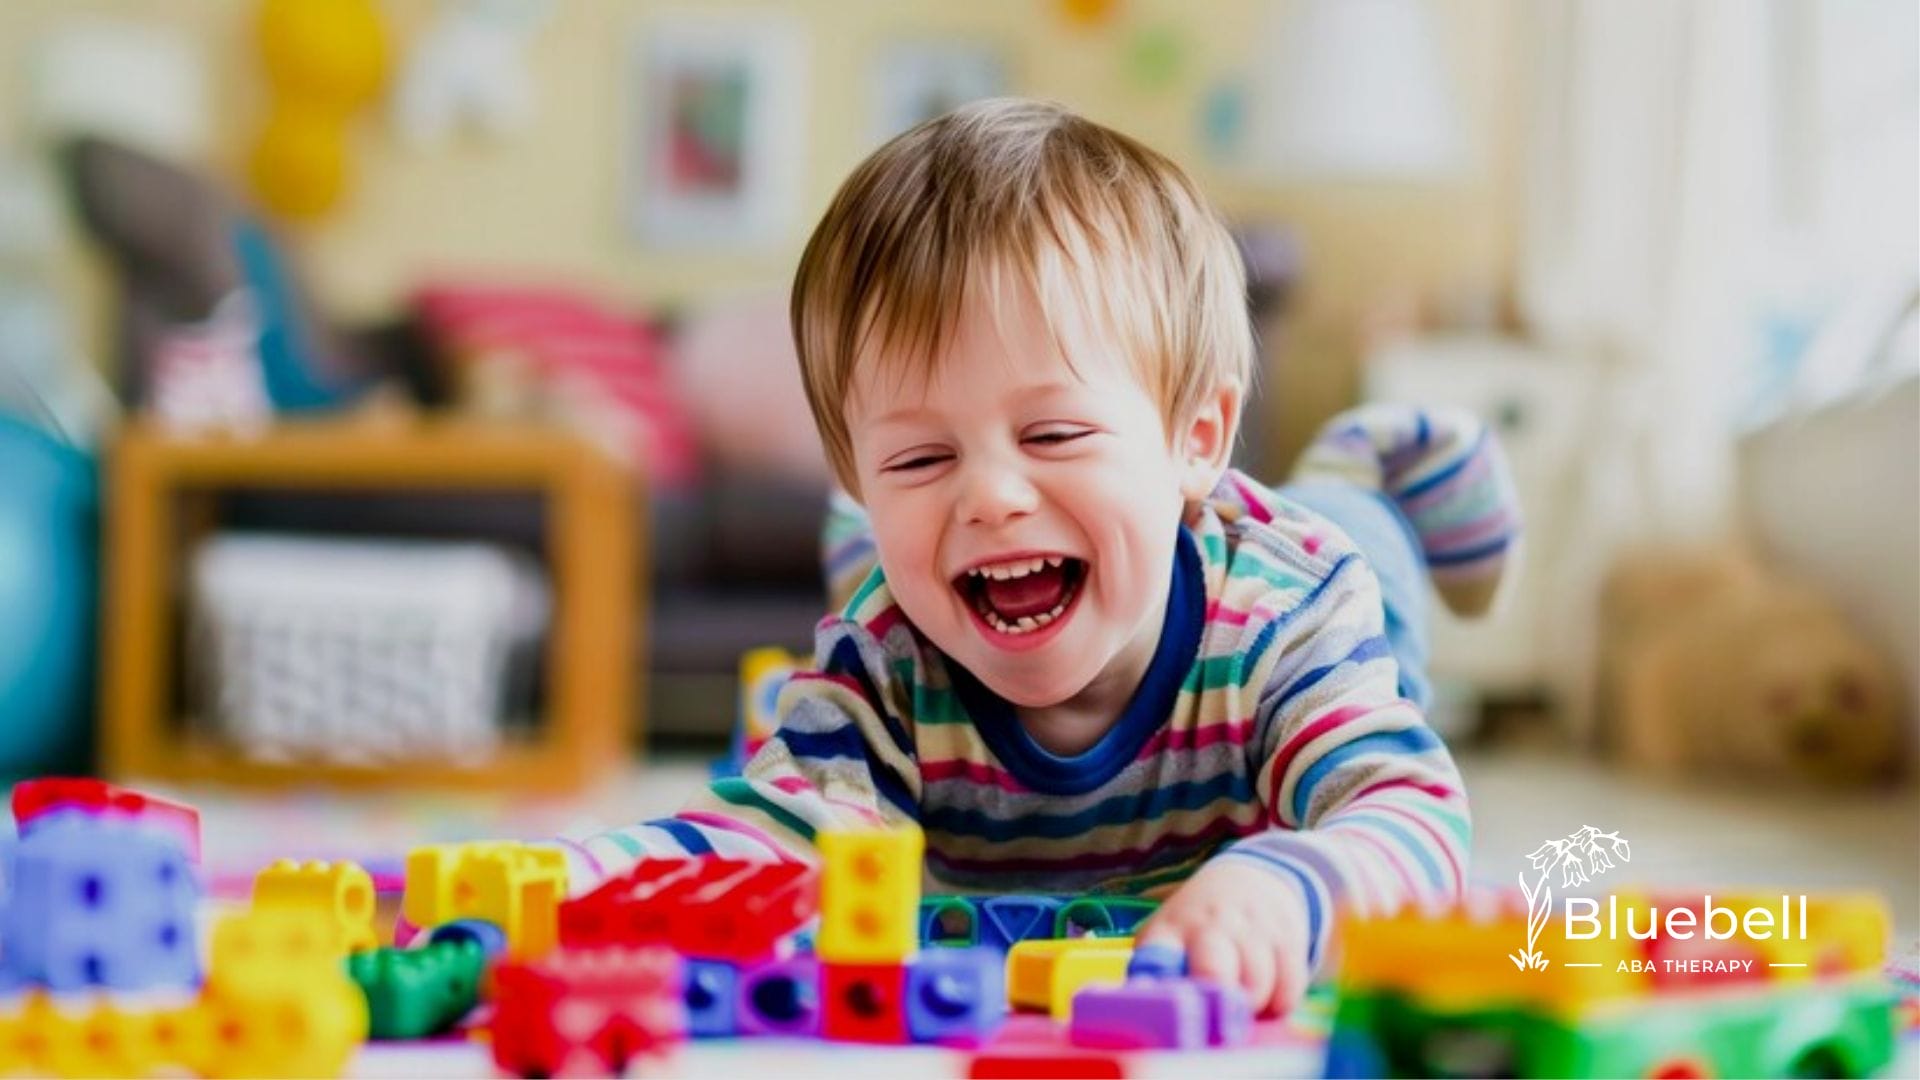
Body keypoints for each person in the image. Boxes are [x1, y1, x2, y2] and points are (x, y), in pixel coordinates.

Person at [559, 99, 1519, 1015]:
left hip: (1314, 579)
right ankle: (880, 521)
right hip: (940, 588)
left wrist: (1290, 886)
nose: (988, 495)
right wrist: (581, 877)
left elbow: (1414, 817)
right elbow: (772, 840)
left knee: (1358, 538)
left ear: (1196, 435)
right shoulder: (888, 665)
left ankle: (1388, 461)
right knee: (889, 586)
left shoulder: (1285, 614)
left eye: (1053, 435)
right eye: (919, 457)